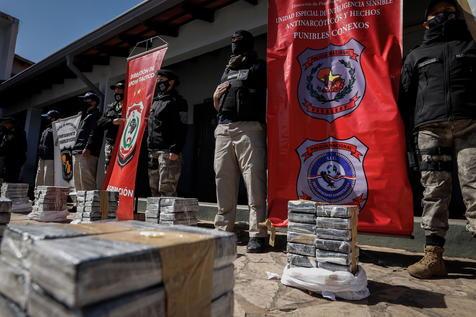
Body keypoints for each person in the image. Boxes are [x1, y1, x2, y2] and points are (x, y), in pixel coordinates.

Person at [399, 0, 476, 279]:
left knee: (474, 187)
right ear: (425, 23)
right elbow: (405, 97)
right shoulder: (417, 54)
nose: (445, 16)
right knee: (434, 191)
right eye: (438, 13)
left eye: (449, 12)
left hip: (471, 126)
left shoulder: (472, 47)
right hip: (429, 128)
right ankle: (433, 257)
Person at [212, 30, 268, 253]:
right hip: (224, 128)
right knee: (222, 179)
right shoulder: (227, 69)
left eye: (239, 42)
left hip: (249, 127)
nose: (234, 45)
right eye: (232, 42)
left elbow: (265, 91)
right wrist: (215, 98)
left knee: (254, 181)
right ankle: (223, 230)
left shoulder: (259, 66)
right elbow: (221, 103)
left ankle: (257, 233)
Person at [147, 69, 187, 197]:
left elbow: (182, 127)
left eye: (161, 80)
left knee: (167, 189)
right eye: (157, 80)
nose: (158, 83)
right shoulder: (156, 101)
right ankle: (156, 217)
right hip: (153, 150)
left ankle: (167, 217)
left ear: (171, 82)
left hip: (168, 152)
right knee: (154, 189)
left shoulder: (178, 102)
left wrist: (175, 149)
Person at [72, 92, 102, 191]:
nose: (84, 102)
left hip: (87, 152)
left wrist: (88, 147)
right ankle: (79, 204)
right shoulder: (86, 115)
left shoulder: (96, 114)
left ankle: (89, 205)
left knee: (86, 181)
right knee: (77, 181)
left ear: (93, 102)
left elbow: (94, 132)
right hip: (78, 150)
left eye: (86, 99)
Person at [96, 80, 125, 171]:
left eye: (119, 90)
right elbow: (100, 123)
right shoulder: (111, 107)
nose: (117, 92)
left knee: (122, 168)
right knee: (109, 169)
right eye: (115, 90)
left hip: (125, 143)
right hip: (111, 143)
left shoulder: (130, 105)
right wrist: (112, 121)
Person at [35, 110, 61, 187]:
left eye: (48, 117)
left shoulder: (58, 128)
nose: (46, 118)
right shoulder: (47, 129)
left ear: (53, 118)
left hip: (51, 157)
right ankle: (37, 195)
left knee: (48, 177)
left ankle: (46, 197)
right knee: (39, 176)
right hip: (42, 157)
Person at [0, 117, 27, 183]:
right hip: (9, 158)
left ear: (11, 124)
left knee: (12, 178)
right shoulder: (7, 133)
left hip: (15, 159)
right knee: (7, 176)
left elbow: (21, 146)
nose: (5, 125)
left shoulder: (17, 133)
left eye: (6, 124)